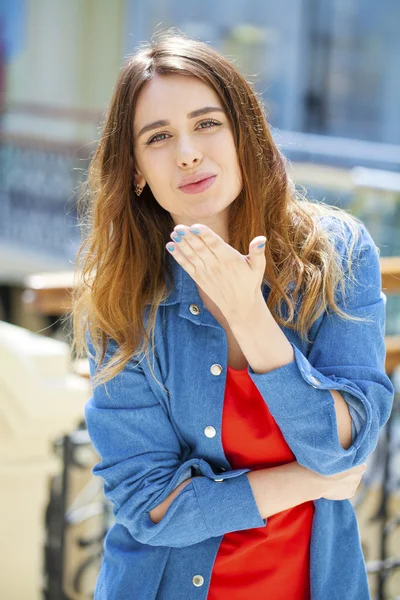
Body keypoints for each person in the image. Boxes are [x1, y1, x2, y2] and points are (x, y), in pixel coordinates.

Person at [71, 29, 395, 600]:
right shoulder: (121, 297)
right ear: (138, 170)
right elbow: (151, 506)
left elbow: (343, 443)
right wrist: (305, 481)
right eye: (159, 136)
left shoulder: (338, 255)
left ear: (245, 131)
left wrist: (250, 317)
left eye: (206, 123)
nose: (188, 152)